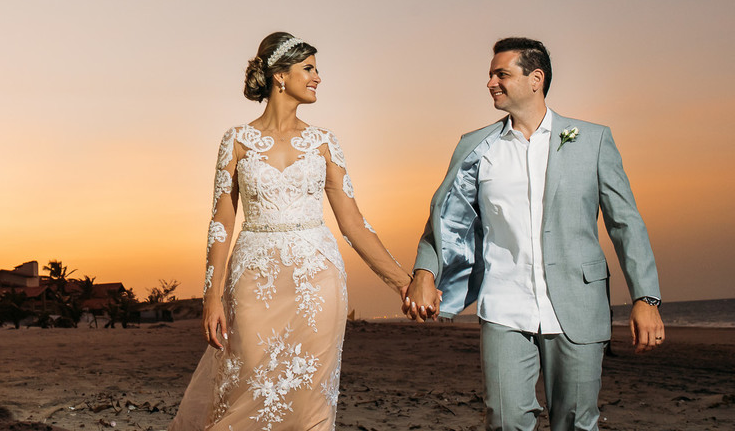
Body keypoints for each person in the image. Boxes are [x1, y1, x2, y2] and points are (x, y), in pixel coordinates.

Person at [406, 37, 664, 431]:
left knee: (576, 422)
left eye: (501, 74)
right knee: (505, 420)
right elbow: (445, 219)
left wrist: (645, 298)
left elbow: (625, 223)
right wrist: (424, 274)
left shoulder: (592, 140)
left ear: (535, 79)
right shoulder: (476, 146)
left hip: (578, 304)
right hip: (503, 305)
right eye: (490, 74)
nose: (491, 82)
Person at [169, 32, 415, 431]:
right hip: (253, 279)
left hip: (317, 279)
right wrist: (211, 297)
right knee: (249, 386)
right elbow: (221, 224)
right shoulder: (236, 141)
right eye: (309, 68)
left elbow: (354, 223)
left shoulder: (324, 143)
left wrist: (403, 282)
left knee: (310, 397)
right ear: (279, 76)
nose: (318, 77)